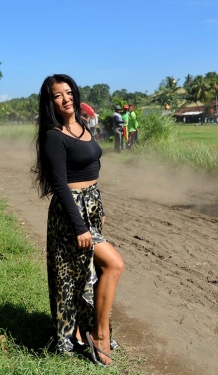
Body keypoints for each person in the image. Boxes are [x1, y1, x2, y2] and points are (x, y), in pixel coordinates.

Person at [32, 74, 124, 366]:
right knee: (113, 264)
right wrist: (80, 226)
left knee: (89, 272)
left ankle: (87, 330)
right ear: (50, 102)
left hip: (91, 206)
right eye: (58, 95)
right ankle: (100, 333)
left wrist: (99, 209)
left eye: (69, 92)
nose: (66, 98)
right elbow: (59, 186)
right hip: (71, 212)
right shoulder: (53, 135)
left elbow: (92, 167)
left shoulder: (82, 126)